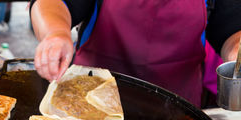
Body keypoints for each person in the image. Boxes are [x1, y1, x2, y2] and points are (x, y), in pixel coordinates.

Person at [29, 0, 241, 107]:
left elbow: (230, 29)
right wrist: (55, 32)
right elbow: (52, 3)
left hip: (177, 112)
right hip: (89, 104)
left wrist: (237, 50)